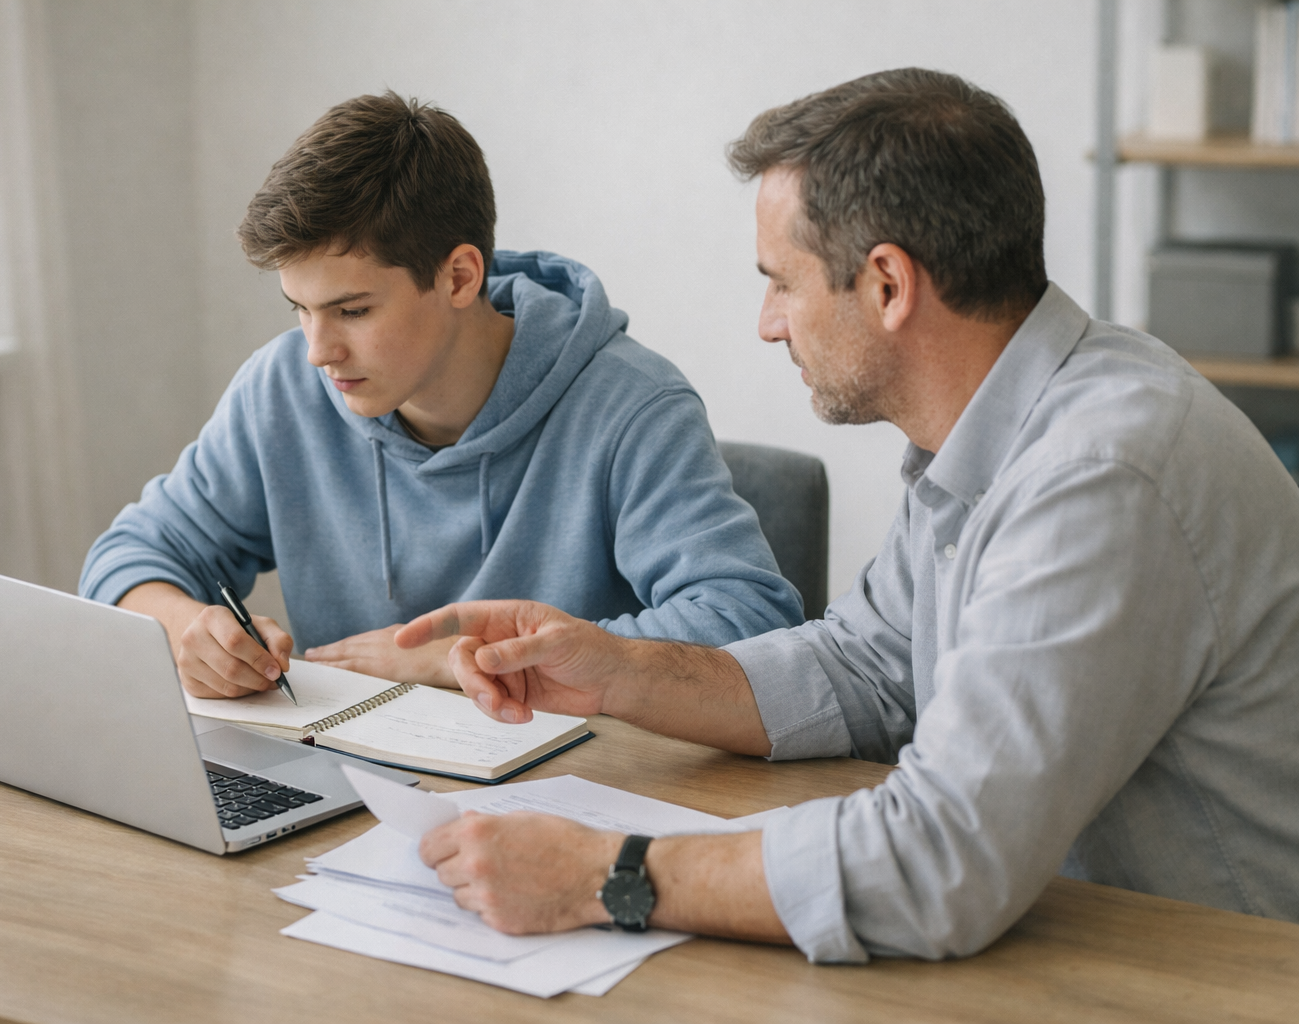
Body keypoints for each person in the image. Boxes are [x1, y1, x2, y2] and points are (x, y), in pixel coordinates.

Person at [392, 68, 1299, 962]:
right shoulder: (1004, 426)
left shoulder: (1101, 477)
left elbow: (944, 863)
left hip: (1216, 979)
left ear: (888, 285)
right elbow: (866, 667)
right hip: (1066, 946)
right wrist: (618, 674)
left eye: (782, 282)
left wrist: (603, 876)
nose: (767, 323)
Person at [78, 91, 801, 700]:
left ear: (458, 277)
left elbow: (747, 624)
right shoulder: (284, 388)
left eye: (353, 311)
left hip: (568, 798)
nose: (317, 350)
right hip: (355, 783)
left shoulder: (630, 407)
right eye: (298, 309)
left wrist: (460, 661)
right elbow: (130, 555)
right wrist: (185, 629)